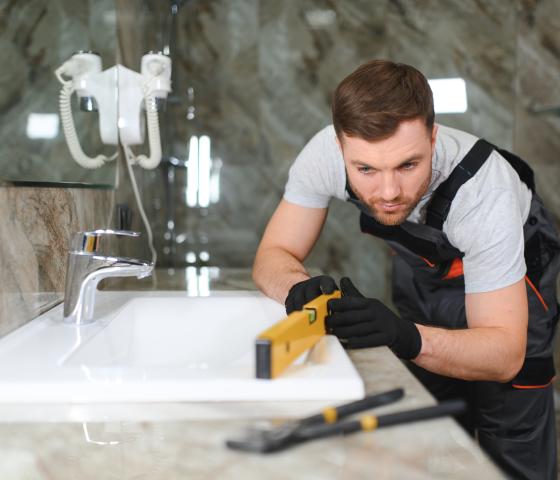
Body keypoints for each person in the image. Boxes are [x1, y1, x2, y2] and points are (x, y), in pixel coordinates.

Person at [252, 59, 560, 479]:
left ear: (433, 137)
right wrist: (296, 287)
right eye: (366, 170)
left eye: (408, 165)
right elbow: (274, 252)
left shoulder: (484, 191)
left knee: (508, 440)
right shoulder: (324, 154)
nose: (389, 192)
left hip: (514, 285)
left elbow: (505, 355)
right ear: (340, 147)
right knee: (423, 425)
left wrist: (406, 336)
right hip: (426, 278)